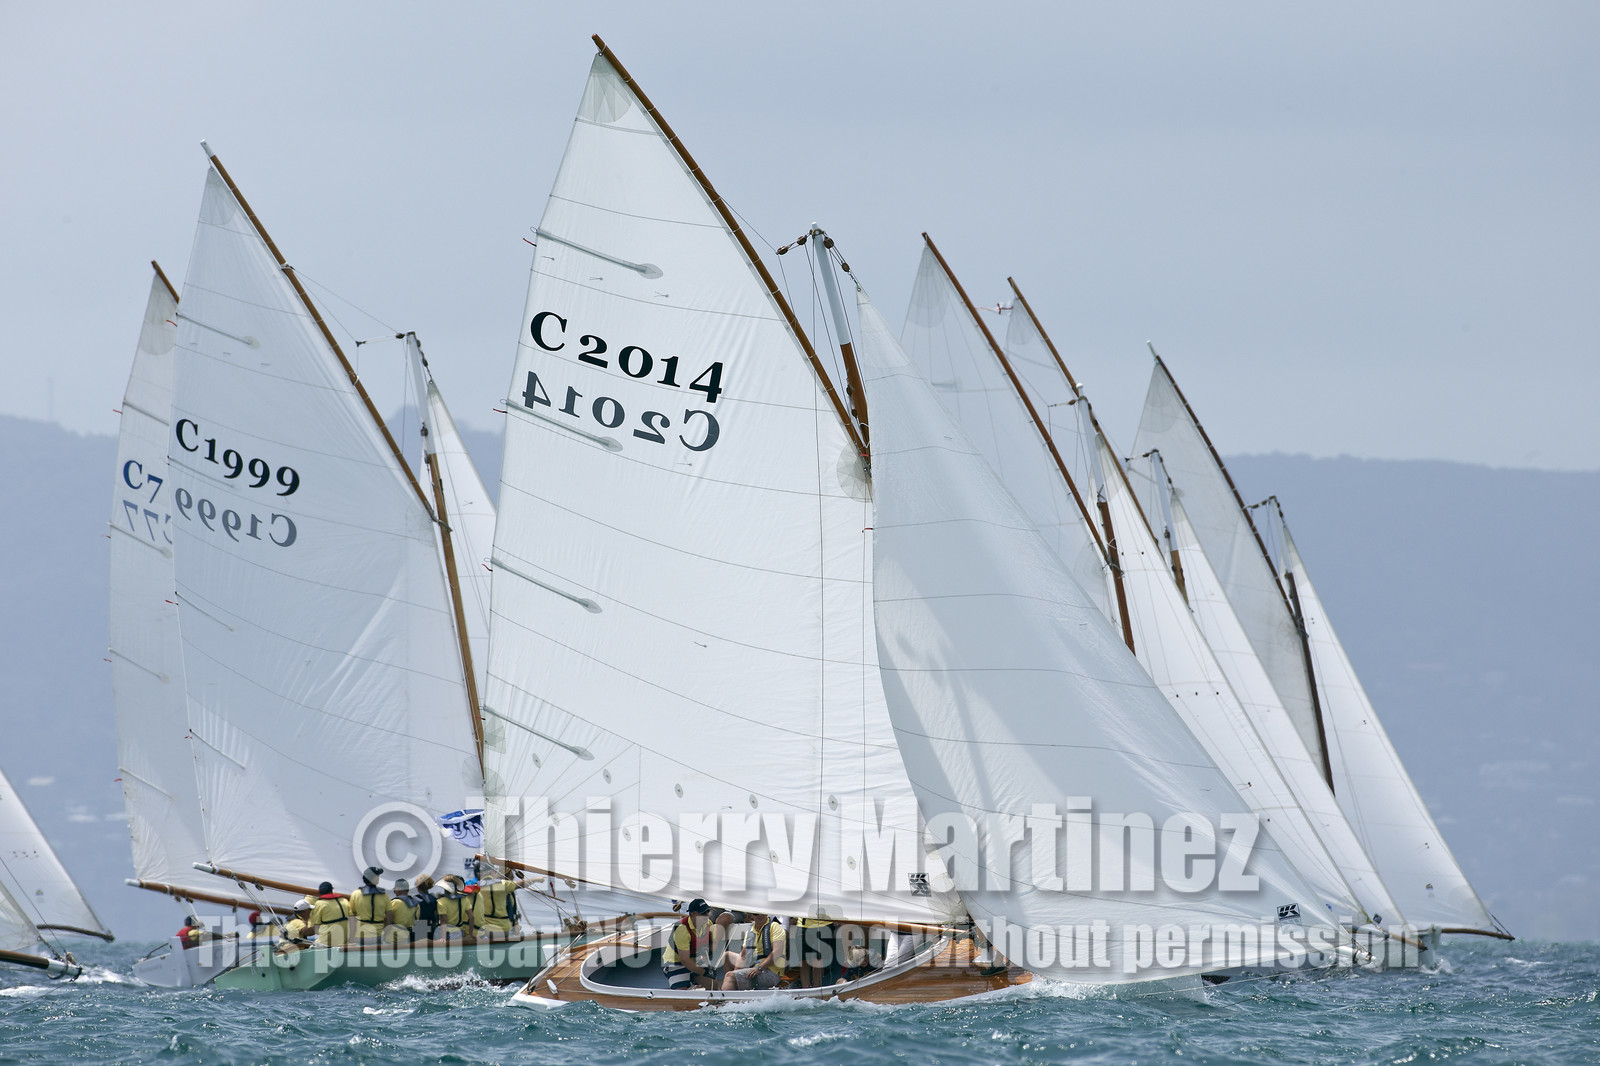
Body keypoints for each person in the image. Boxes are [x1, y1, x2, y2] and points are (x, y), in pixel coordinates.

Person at [721, 911, 785, 991]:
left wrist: (759, 968)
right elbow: (743, 956)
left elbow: (777, 952)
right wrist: (736, 974)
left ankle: (727, 1002)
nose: (760, 915)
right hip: (754, 967)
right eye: (756, 913)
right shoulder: (750, 931)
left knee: (729, 977)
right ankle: (736, 990)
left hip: (771, 972)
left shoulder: (774, 926)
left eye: (762, 912)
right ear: (751, 916)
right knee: (726, 956)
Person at [662, 898, 715, 990]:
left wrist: (706, 961)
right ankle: (691, 985)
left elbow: (710, 944)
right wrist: (704, 972)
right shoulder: (682, 929)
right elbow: (685, 960)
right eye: (703, 913)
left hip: (694, 959)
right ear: (693, 914)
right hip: (675, 963)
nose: (707, 916)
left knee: (713, 985)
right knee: (682, 996)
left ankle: (696, 986)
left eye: (708, 912)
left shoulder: (708, 924)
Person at [349, 866, 390, 943]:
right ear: (374, 878)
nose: (378, 878)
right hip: (379, 935)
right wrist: (386, 932)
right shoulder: (384, 895)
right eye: (377, 876)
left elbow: (352, 918)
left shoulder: (355, 894)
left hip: (360, 935)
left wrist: (351, 937)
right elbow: (389, 915)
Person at [309, 880, 352, 947]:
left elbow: (317, 924)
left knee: (312, 947)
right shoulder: (344, 900)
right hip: (345, 936)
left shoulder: (320, 903)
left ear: (320, 892)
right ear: (332, 890)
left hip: (328, 938)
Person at [384, 878, 419, 947]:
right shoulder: (416, 904)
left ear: (397, 890)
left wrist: (383, 933)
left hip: (393, 937)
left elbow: (387, 920)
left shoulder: (394, 902)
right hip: (408, 936)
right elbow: (416, 919)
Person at [412, 876, 439, 941]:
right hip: (432, 926)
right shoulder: (434, 898)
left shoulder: (415, 899)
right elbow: (436, 914)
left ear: (418, 887)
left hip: (419, 926)